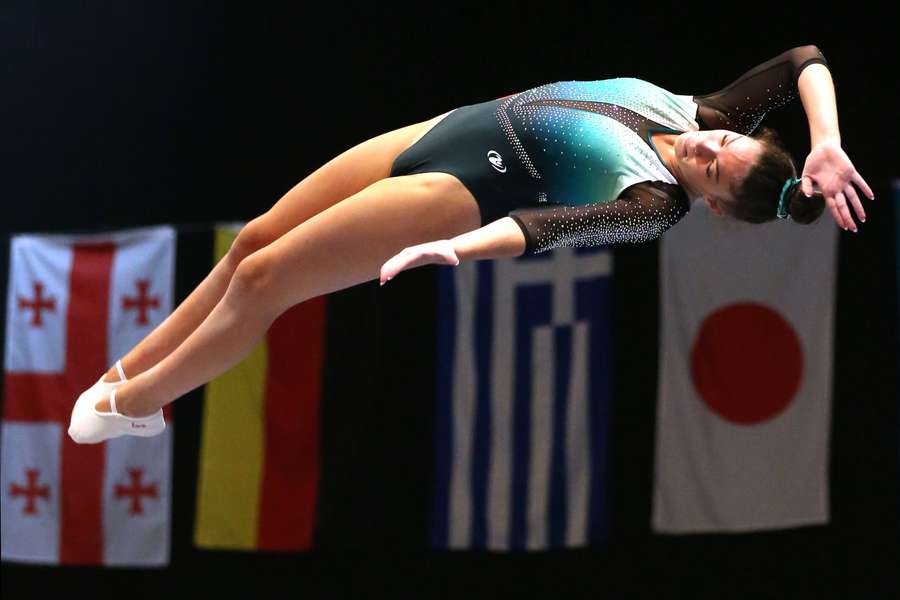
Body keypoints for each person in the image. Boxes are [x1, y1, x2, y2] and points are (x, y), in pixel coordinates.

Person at [69, 45, 873, 444]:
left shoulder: (654, 204)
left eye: (720, 173)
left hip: (465, 191)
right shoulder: (699, 111)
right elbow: (805, 58)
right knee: (253, 241)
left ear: (720, 209)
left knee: (268, 280)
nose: (711, 153)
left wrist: (457, 250)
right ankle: (130, 376)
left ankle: (134, 407)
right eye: (728, 145)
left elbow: (543, 230)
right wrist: (826, 142)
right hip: (448, 129)